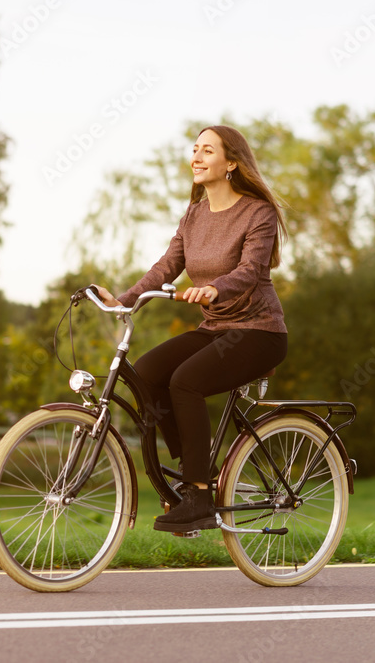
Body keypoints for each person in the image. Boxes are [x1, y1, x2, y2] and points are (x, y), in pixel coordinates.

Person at [94, 125, 289, 533]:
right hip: (216, 326)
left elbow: (251, 271)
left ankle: (199, 494)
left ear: (231, 163)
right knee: (146, 374)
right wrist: (124, 300)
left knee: (185, 381)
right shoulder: (194, 215)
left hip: (259, 332)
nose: (196, 157)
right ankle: (193, 470)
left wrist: (214, 288)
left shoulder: (258, 213)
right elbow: (167, 266)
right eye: (195, 150)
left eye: (208, 151)